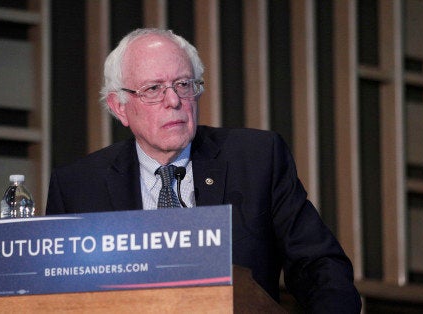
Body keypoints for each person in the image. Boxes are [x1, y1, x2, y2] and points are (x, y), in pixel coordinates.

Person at [46, 28, 361, 313]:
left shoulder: (255, 159)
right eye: (153, 89)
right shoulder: (77, 187)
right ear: (119, 106)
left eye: (183, 84)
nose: (174, 100)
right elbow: (53, 295)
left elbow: (318, 265)